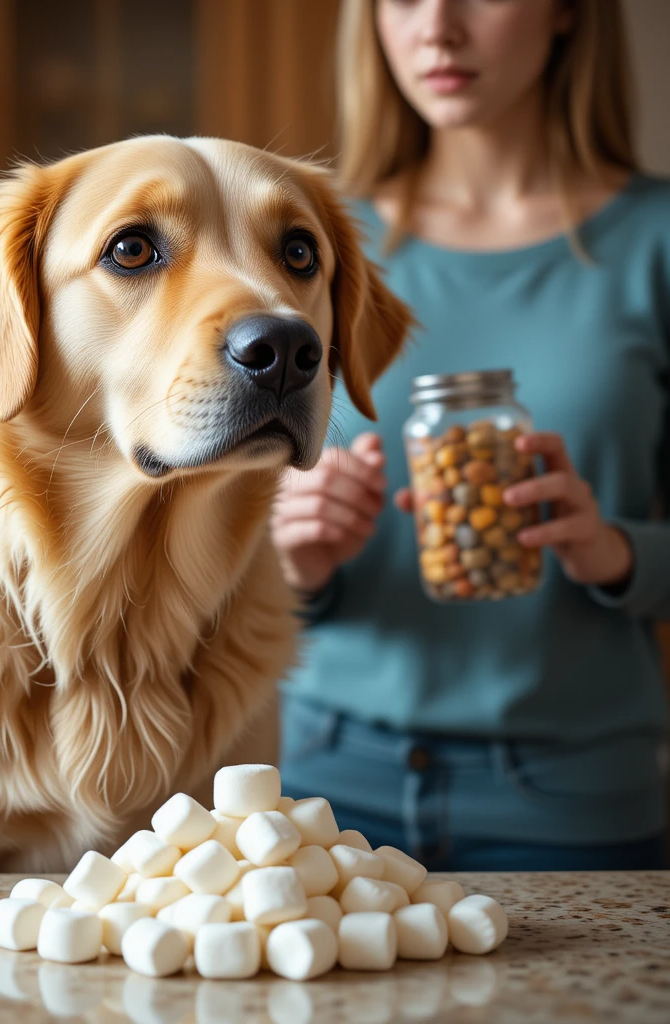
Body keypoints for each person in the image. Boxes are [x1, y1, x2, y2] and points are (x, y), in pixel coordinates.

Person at [273, 0, 670, 870]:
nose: (438, 28)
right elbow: (218, 549)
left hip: (571, 793)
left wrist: (617, 553)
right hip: (324, 780)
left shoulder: (656, 243)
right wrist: (294, 557)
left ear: (568, 12)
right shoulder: (313, 243)